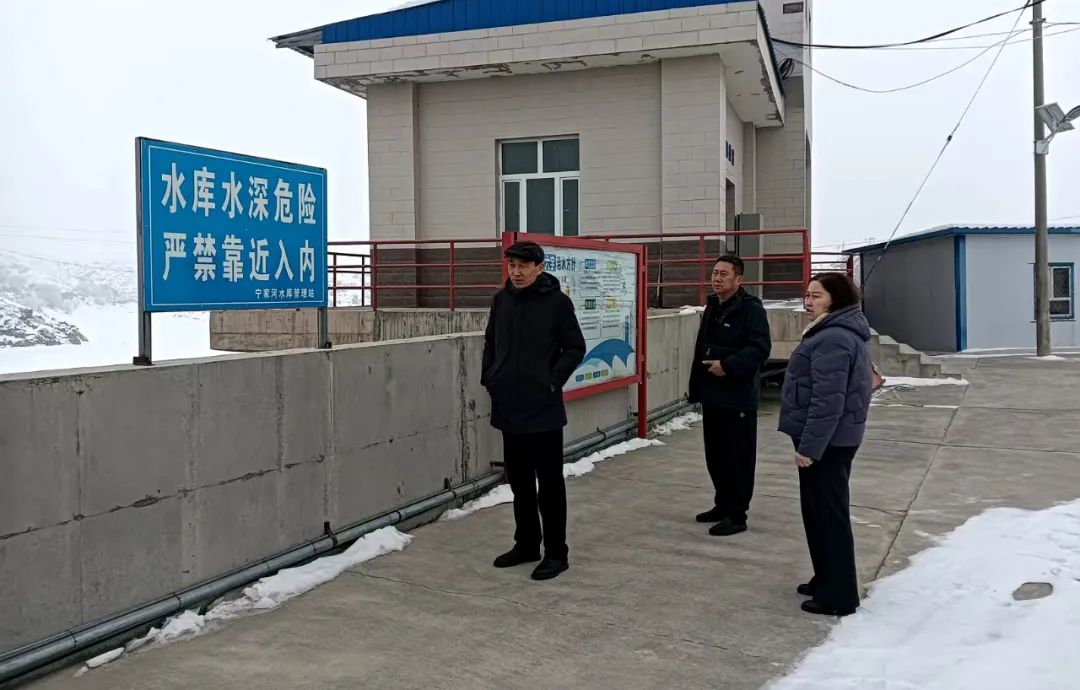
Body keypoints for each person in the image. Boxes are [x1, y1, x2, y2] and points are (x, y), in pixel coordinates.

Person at [481, 241, 586, 581]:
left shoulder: (557, 303)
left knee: (550, 485)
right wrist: (490, 377)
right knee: (520, 484)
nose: (516, 272)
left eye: (523, 266)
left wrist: (551, 381)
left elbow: (575, 347)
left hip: (542, 409)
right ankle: (526, 544)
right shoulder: (502, 300)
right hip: (509, 406)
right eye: (512, 265)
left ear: (539, 267)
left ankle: (556, 553)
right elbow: (491, 342)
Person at [779, 272, 873, 617]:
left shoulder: (833, 337)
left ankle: (839, 595)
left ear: (836, 299)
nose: (808, 302)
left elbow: (827, 401)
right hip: (829, 438)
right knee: (817, 512)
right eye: (806, 295)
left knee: (828, 516)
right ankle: (826, 578)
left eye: (816, 296)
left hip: (828, 441)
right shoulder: (832, 331)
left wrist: (809, 448)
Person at [688, 255, 772, 536]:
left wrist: (728, 365)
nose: (717, 278)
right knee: (716, 455)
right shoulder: (713, 306)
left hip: (737, 396)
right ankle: (722, 504)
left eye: (724, 274)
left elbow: (760, 348)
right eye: (715, 273)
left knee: (738, 457)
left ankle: (737, 515)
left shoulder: (751, 309)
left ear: (739, 279)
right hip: (713, 394)